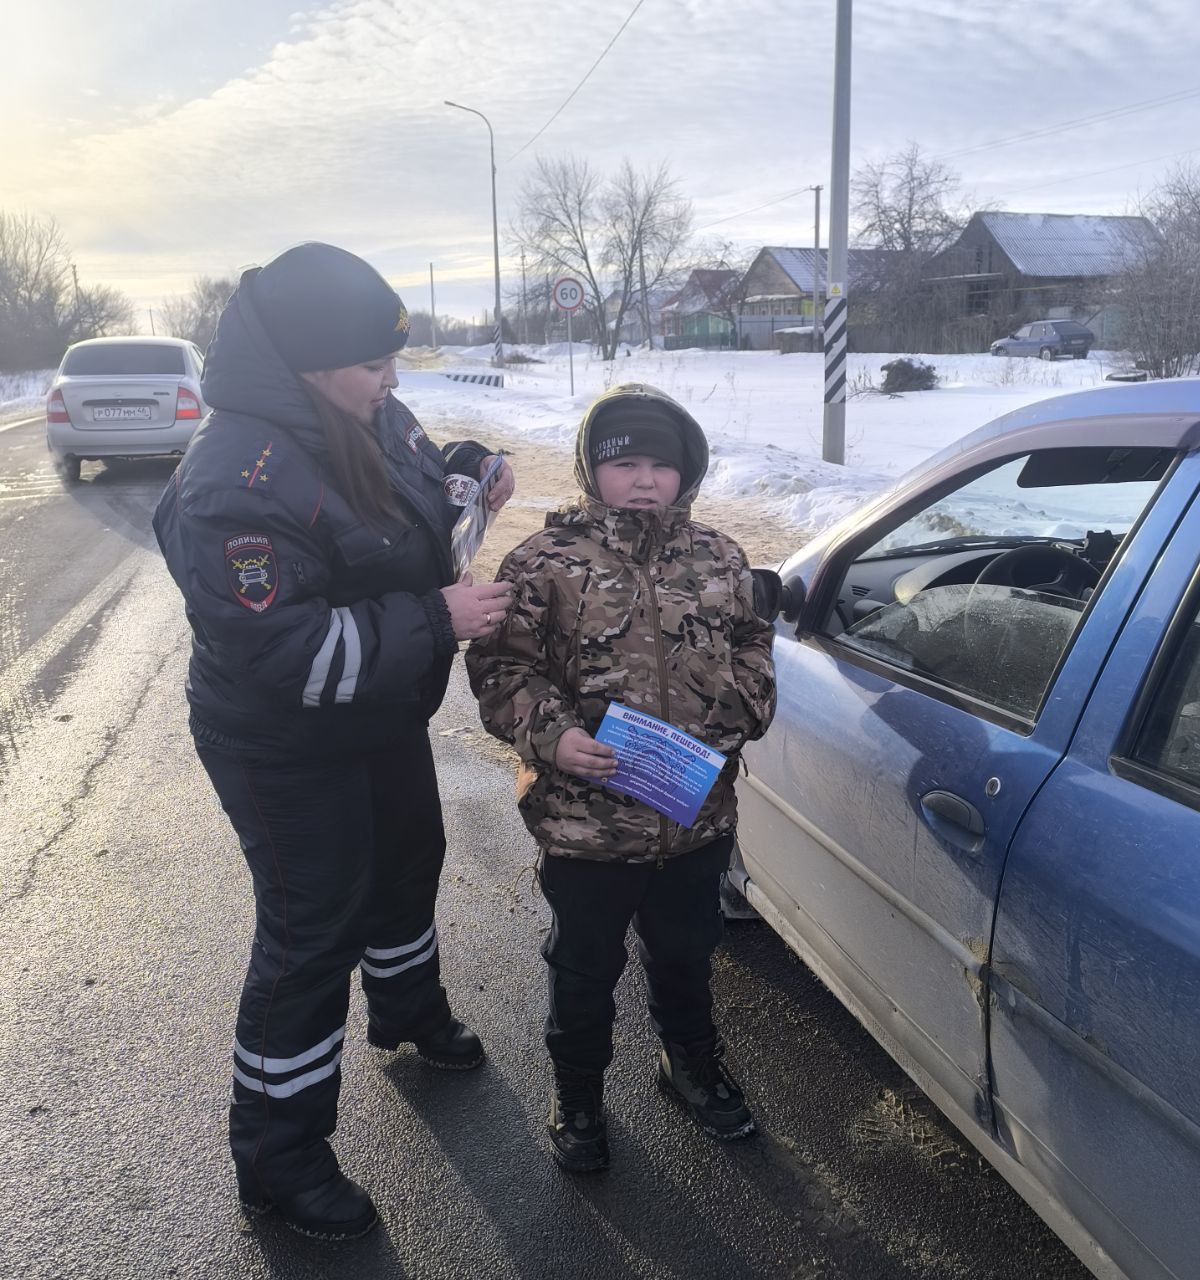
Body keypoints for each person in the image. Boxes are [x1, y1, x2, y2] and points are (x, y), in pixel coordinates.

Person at [152, 243, 515, 1239]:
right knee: (312, 931)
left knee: (406, 862)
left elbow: (403, 475)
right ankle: (279, 1157)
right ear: (314, 364)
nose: (391, 381)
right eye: (373, 363)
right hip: (281, 739)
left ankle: (406, 1009)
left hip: (376, 710)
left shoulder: (358, 408)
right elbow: (292, 655)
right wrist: (440, 616)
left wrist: (464, 470)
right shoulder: (234, 478)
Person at [465, 382, 776, 1173]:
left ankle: (690, 1067)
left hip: (695, 816)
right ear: (590, 470)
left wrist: (742, 704)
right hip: (585, 823)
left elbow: (752, 642)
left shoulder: (718, 555)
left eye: (661, 466)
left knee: (686, 951)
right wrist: (554, 738)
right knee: (583, 965)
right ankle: (577, 1096)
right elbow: (503, 668)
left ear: (686, 473)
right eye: (625, 463)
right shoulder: (545, 562)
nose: (644, 480)